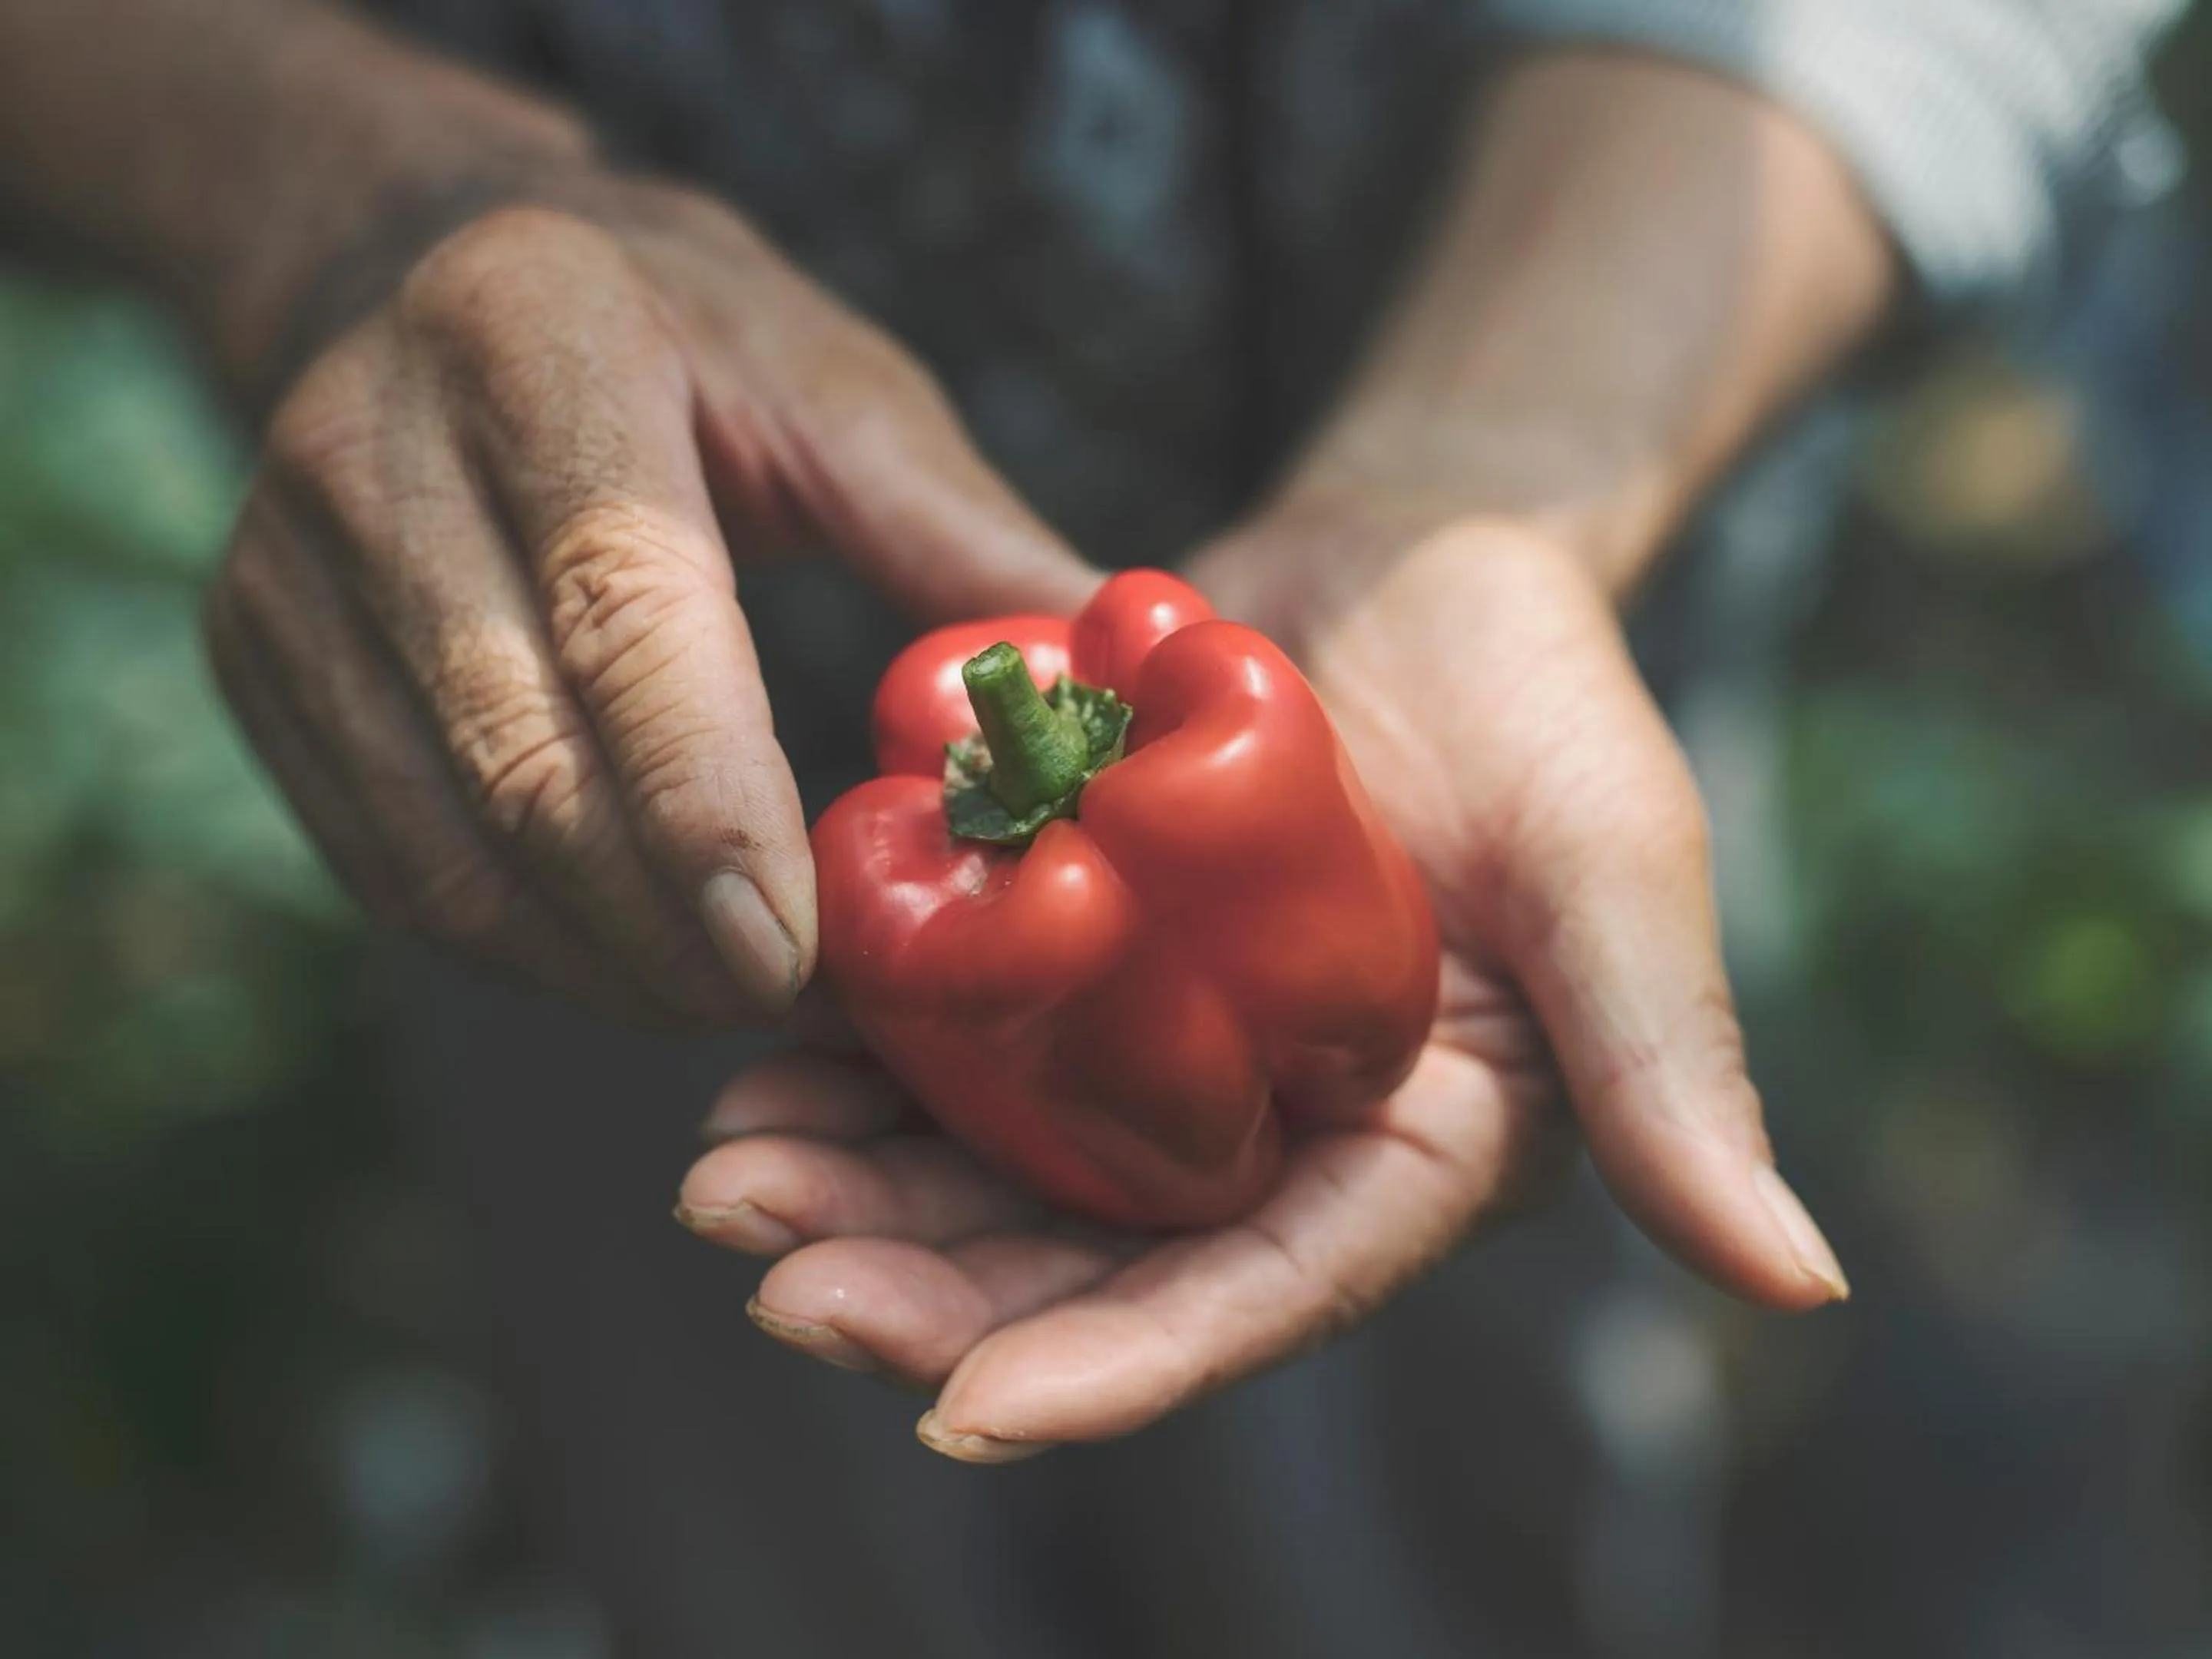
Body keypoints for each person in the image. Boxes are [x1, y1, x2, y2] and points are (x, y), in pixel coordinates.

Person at [0, 2, 2184, 1652]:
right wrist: (321, 193)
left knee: (1466, 1500)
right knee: (757, 1499)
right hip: (559, 690)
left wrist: (1490, 467)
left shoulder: (1126, 743)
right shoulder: (1019, 785)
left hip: (1555, 452)